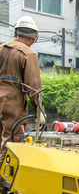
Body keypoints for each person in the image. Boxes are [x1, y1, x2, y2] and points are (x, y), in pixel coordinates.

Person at [0, 16, 44, 161]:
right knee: (9, 140)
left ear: (15, 33)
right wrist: (40, 110)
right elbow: (34, 87)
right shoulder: (29, 54)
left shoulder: (1, 48)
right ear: (34, 38)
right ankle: (3, 180)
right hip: (12, 102)